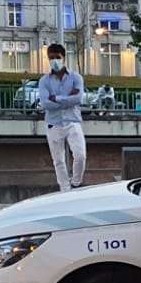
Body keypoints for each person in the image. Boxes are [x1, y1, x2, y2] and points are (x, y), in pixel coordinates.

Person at [39, 43, 88, 191]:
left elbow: (78, 99)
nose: (54, 61)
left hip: (72, 121)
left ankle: (76, 183)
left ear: (64, 58)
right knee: (58, 160)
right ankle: (65, 188)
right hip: (53, 123)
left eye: (57, 57)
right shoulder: (44, 81)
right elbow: (45, 103)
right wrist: (67, 98)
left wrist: (57, 98)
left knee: (80, 155)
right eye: (51, 58)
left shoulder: (76, 78)